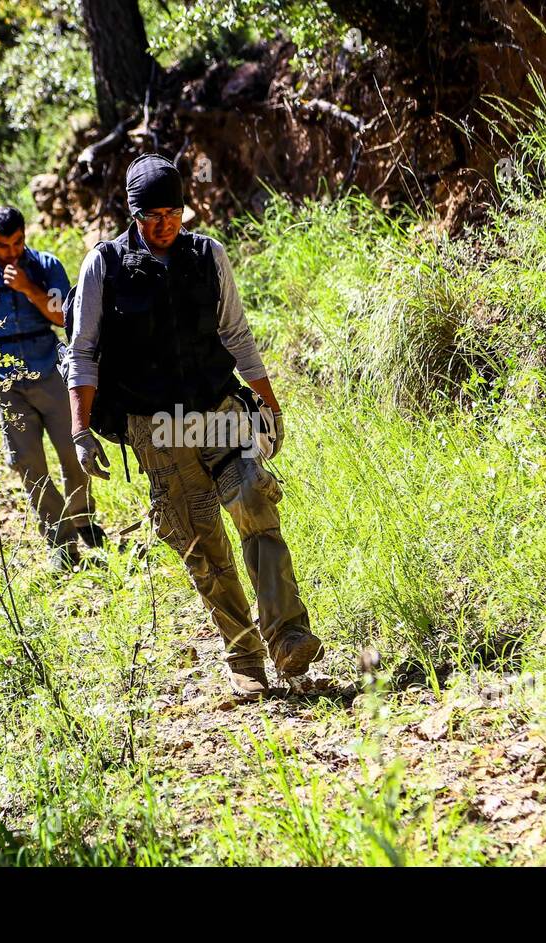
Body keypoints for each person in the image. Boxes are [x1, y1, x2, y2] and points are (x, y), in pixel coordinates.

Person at [66, 154, 324, 699]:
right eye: (152, 215)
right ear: (132, 214)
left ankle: (289, 634)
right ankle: (244, 657)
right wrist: (80, 431)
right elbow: (82, 353)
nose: (165, 224)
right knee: (203, 546)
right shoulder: (104, 266)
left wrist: (270, 406)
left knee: (254, 498)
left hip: (218, 413)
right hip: (156, 430)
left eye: (174, 211)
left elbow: (238, 335)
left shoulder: (208, 255)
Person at [0, 205, 106, 572]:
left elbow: (64, 317)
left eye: (19, 241)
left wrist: (27, 287)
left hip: (49, 366)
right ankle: (59, 540)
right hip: (5, 375)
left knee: (72, 451)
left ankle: (84, 519)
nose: (13, 251)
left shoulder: (45, 266)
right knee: (26, 462)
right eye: (5, 245)